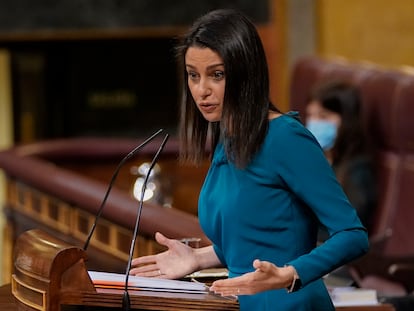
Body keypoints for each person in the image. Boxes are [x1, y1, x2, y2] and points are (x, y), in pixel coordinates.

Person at [130, 9, 369, 311]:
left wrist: (291, 274)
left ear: (245, 73)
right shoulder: (228, 138)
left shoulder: (285, 137)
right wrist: (198, 258)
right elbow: (255, 234)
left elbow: (352, 234)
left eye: (217, 75)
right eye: (193, 75)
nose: (202, 90)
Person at [305, 81, 377, 233]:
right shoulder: (311, 159)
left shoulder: (358, 170)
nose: (314, 123)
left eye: (323, 116)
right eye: (310, 115)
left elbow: (349, 230)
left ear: (347, 120)